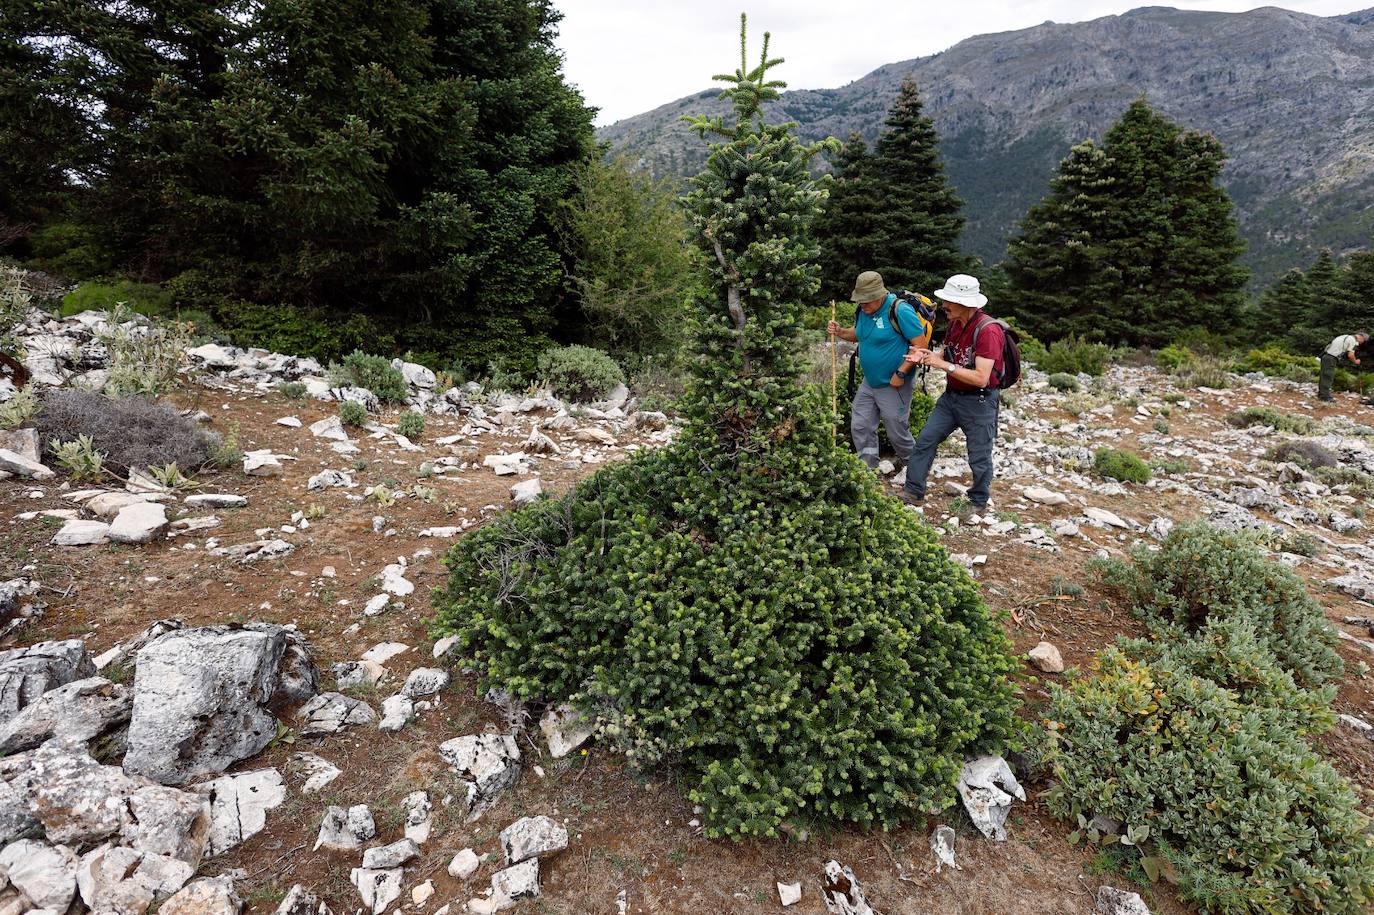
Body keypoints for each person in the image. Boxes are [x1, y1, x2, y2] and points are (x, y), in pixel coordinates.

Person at [901, 274, 1004, 512]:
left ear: (966, 304)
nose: (944, 305)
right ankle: (913, 492)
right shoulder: (955, 323)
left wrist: (943, 366)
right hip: (951, 397)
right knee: (925, 441)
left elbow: (981, 377)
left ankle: (978, 502)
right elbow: (945, 356)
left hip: (979, 402)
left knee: (979, 456)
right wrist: (926, 357)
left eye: (949, 301)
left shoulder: (988, 331)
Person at [827, 270, 931, 470]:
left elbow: (921, 346)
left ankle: (915, 468)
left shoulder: (900, 311)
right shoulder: (863, 311)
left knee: (896, 429)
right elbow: (859, 334)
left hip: (894, 382)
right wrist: (840, 332)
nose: (862, 305)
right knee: (860, 424)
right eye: (860, 301)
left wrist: (901, 372)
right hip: (870, 381)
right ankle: (868, 467)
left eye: (866, 301)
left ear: (879, 295)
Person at [1318, 332, 1367, 402]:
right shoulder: (1353, 341)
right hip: (1331, 358)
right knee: (1328, 377)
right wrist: (1356, 361)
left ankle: (1322, 394)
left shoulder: (1344, 336)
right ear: (1361, 337)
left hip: (1326, 356)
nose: (1362, 343)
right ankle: (1324, 397)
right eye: (1363, 341)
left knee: (1324, 376)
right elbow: (1350, 355)